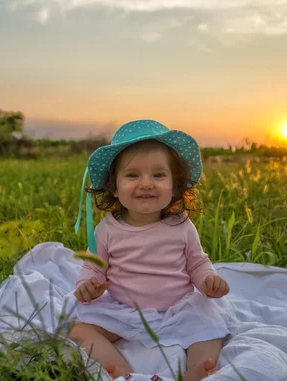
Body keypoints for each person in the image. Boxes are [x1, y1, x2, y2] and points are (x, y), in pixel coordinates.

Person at [70, 120, 230, 381]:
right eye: (133, 175)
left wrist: (207, 280)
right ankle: (121, 371)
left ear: (175, 184)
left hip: (178, 309)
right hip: (126, 311)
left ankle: (197, 371)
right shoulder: (108, 230)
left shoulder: (181, 226)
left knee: (210, 329)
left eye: (158, 175)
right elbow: (93, 266)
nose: (146, 184)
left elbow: (197, 263)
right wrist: (89, 284)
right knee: (79, 330)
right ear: (114, 185)